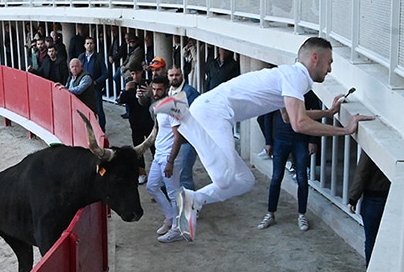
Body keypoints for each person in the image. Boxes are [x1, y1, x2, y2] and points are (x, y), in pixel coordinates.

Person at [157, 37, 375, 242]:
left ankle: (194, 200)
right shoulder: (296, 77)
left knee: (244, 181)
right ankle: (182, 114)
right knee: (224, 178)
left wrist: (329, 113)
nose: (330, 69)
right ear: (314, 58)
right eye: (329, 63)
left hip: (213, 110)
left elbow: (289, 117)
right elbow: (300, 124)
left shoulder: (290, 77)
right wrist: (345, 130)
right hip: (214, 111)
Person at [256, 90, 323, 232]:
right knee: (276, 178)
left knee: (302, 178)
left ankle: (302, 214)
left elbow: (316, 115)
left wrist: (313, 140)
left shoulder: (307, 92)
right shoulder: (279, 92)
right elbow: (267, 116)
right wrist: (268, 141)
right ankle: (270, 213)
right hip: (281, 140)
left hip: (301, 140)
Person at [145, 75, 186, 243]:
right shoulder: (160, 106)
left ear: (166, 88)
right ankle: (170, 218)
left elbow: (178, 137)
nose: (155, 92)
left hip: (170, 157)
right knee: (151, 186)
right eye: (154, 89)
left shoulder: (172, 106)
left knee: (173, 192)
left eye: (159, 89)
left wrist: (170, 161)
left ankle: (177, 228)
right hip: (160, 154)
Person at [347, 151, 390, 272]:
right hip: (394, 196)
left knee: (371, 240)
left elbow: (362, 172)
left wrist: (353, 198)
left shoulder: (373, 146)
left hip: (373, 197)